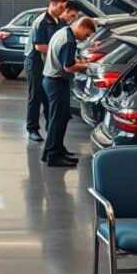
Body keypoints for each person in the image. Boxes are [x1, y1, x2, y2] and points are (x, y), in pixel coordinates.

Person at [41, 16, 96, 167]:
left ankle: (52, 150)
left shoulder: (63, 32)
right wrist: (87, 67)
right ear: (82, 27)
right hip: (56, 81)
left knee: (60, 118)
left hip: (51, 80)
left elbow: (66, 60)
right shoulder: (69, 41)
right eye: (87, 35)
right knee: (58, 120)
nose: (85, 39)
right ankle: (54, 156)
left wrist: (81, 62)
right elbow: (69, 67)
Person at [23, 0, 68, 142]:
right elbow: (40, 46)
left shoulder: (60, 22)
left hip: (49, 61)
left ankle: (51, 125)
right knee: (35, 96)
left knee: (49, 96)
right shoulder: (40, 22)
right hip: (35, 62)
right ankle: (32, 129)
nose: (63, 9)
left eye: (64, 7)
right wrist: (59, 53)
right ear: (53, 4)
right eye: (61, 6)